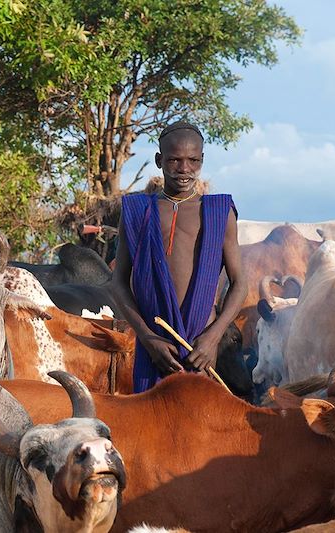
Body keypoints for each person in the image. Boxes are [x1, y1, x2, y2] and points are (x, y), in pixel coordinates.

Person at [110, 122, 247, 393]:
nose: (184, 169)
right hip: (155, 349)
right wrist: (148, 339)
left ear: (202, 160)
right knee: (151, 426)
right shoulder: (138, 211)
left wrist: (213, 337)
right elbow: (118, 284)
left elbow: (240, 283)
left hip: (200, 349)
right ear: (160, 160)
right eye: (174, 160)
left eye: (193, 160)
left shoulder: (220, 212)